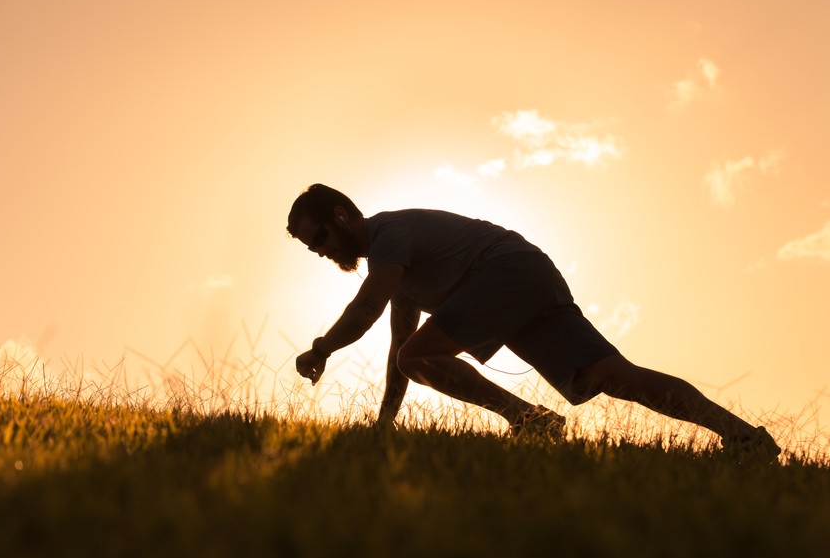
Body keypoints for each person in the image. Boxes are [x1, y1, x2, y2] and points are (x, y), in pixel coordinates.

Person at [288, 183, 781, 462]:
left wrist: (322, 348)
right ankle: (744, 436)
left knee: (418, 354)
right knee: (609, 376)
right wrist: (384, 426)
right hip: (526, 273)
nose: (324, 250)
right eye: (314, 247)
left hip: (506, 272)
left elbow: (364, 313)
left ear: (342, 214)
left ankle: (532, 421)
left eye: (322, 237)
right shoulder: (398, 274)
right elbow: (403, 357)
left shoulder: (388, 237)